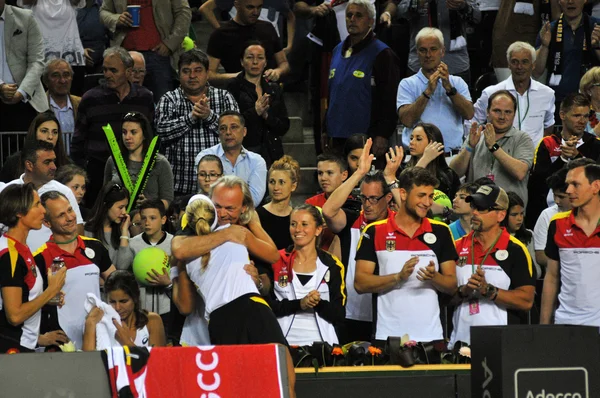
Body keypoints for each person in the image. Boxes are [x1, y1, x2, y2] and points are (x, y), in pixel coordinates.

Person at [174, 194, 295, 396]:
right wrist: (254, 223)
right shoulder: (233, 232)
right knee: (283, 379)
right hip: (253, 308)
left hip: (221, 320)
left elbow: (185, 306)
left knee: (239, 390)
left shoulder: (184, 254)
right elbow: (273, 254)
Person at [355, 167, 457, 344]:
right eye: (421, 195)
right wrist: (398, 277)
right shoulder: (375, 231)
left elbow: (452, 286)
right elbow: (360, 283)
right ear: (402, 193)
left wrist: (434, 277)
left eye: (430, 196)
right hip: (387, 337)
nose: (427, 202)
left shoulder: (441, 232)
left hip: (431, 338)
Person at [322, 137, 400, 343]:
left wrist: (391, 178)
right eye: (364, 198)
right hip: (351, 313)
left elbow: (412, 215)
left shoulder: (397, 224)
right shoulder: (353, 220)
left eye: (374, 199)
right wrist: (359, 173)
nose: (368, 205)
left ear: (388, 198)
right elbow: (328, 211)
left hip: (388, 313)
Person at [449, 184, 535, 347]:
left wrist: (488, 290)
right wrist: (464, 291)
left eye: (482, 209)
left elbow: (526, 301)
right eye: (474, 206)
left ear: (501, 215)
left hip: (502, 345)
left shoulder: (516, 250)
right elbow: (446, 299)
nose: (474, 212)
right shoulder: (457, 246)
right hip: (461, 342)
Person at [71, 46, 154, 203]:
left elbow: (151, 137)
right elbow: (78, 142)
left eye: (113, 70)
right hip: (97, 174)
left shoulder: (145, 98)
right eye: (105, 69)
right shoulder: (90, 99)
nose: (107, 75)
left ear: (129, 72)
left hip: (135, 174)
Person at [171, 175, 279, 295]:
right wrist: (227, 233)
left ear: (244, 207)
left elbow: (273, 257)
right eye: (217, 206)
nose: (222, 214)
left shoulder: (247, 226)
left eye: (230, 208)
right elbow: (179, 250)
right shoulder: (197, 213)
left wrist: (258, 282)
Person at [35, 191, 116, 350]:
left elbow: (118, 285)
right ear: (47, 222)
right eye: (61, 215)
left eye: (70, 210)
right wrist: (39, 337)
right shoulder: (40, 258)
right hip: (61, 345)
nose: (70, 217)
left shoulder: (95, 247)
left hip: (96, 339)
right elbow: (29, 304)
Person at [155, 49, 239, 196]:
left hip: (219, 187)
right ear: (179, 74)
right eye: (186, 71)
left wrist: (209, 116)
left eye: (198, 71)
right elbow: (161, 132)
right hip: (178, 186)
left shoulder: (224, 97)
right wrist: (191, 118)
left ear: (207, 73)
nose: (192, 76)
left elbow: (236, 134)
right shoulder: (169, 99)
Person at [323, 0, 401, 159]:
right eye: (349, 15)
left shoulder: (382, 54)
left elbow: (390, 98)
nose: (352, 19)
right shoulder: (337, 50)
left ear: (371, 21)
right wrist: (326, 129)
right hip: (337, 136)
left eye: (358, 15)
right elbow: (331, 94)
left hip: (367, 139)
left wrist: (383, 134)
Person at [0, 183, 66, 353]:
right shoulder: (10, 255)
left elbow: (23, 298)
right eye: (37, 205)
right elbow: (14, 316)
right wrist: (51, 291)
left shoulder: (21, 248)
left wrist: (37, 338)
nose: (43, 211)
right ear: (19, 212)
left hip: (22, 344)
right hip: (11, 351)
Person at [270, 204, 346, 346]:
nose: (298, 229)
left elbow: (339, 315)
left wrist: (317, 304)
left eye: (304, 224)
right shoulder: (276, 260)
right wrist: (300, 304)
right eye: (293, 224)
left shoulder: (332, 265)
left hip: (323, 346)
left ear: (318, 230)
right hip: (282, 343)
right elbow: (268, 308)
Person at [526, 93, 600, 229]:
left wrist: (577, 156)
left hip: (587, 216)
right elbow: (537, 184)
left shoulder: (596, 145)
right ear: (562, 115)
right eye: (577, 116)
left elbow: (597, 181)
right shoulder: (548, 143)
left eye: (585, 116)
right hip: (550, 214)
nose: (582, 121)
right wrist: (562, 159)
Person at [541, 159, 600, 327]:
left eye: (575, 184)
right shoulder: (557, 224)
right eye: (568, 185)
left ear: (595, 186)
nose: (568, 190)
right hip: (567, 323)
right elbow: (551, 277)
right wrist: (544, 326)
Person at [450, 90, 534, 208]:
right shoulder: (476, 136)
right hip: (477, 209)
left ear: (514, 115)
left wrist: (493, 147)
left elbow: (520, 172)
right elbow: (454, 173)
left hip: (509, 212)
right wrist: (469, 147)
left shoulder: (522, 139)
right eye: (497, 111)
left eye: (508, 112)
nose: (502, 117)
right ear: (487, 112)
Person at [397, 27, 474, 154]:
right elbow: (407, 120)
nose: (428, 55)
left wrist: (449, 88)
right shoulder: (407, 84)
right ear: (417, 52)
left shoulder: (458, 82)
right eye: (423, 50)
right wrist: (427, 92)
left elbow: (469, 114)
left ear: (442, 51)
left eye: (433, 49)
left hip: (451, 157)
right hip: (418, 158)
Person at [99, 0, 192, 102]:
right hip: (125, 57)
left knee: (163, 102)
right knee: (125, 102)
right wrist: (116, 19)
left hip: (160, 55)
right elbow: (104, 11)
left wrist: (170, 44)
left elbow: (184, 12)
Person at [4, 140, 84, 252]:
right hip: (14, 260)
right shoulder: (7, 190)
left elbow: (77, 230)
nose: (54, 167)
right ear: (29, 165)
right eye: (47, 162)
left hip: (53, 262)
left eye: (53, 161)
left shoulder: (64, 191)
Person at [473, 41, 555, 147]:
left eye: (525, 62)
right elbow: (473, 122)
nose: (519, 67)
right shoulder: (491, 93)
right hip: (498, 157)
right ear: (509, 65)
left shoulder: (547, 94)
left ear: (533, 65)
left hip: (533, 159)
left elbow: (549, 126)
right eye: (515, 62)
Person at [227, 41, 290, 167]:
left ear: (266, 62)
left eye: (260, 58)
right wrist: (255, 112)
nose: (255, 62)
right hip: (243, 156)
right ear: (242, 61)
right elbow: (228, 126)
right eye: (250, 57)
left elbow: (284, 126)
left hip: (272, 155)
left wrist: (267, 116)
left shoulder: (273, 89)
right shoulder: (233, 87)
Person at [534, 0, 600, 117]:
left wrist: (597, 47)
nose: (571, 2)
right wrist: (544, 46)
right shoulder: (550, 29)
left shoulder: (597, 27)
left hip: (592, 103)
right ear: (559, 1)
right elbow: (536, 71)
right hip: (559, 102)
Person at [206, 0, 290, 85]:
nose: (256, 12)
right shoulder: (221, 35)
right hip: (237, 93)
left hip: (269, 92)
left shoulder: (268, 28)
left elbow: (283, 63)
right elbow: (209, 74)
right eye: (250, 7)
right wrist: (238, 77)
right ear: (237, 5)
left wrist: (277, 71)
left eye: (259, 7)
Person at [194, 110, 268, 205]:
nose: (228, 132)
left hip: (245, 217)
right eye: (223, 128)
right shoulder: (204, 157)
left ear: (244, 131)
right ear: (218, 132)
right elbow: (206, 193)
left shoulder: (257, 162)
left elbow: (253, 200)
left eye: (234, 127)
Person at [396, 0, 479, 84]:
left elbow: (477, 17)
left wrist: (463, 6)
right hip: (420, 64)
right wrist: (418, 2)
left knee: (457, 96)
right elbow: (400, 14)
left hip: (455, 64)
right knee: (419, 97)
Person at [104, 111, 174, 209]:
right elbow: (105, 194)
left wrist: (150, 205)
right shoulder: (112, 160)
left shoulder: (161, 162)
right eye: (124, 132)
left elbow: (167, 200)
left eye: (133, 132)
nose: (127, 137)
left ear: (144, 134)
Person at [83, 270, 166, 350]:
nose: (117, 307)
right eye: (112, 302)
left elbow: (158, 362)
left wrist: (126, 342)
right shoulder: (98, 322)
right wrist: (90, 323)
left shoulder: (152, 321)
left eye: (123, 301)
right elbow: (88, 362)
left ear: (135, 298)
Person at [0, 0, 48, 132]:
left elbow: (37, 61)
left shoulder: (26, 17)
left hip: (26, 99)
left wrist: (21, 92)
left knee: (29, 151)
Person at [127, 199, 173, 325]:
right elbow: (121, 270)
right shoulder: (133, 244)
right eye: (143, 218)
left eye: (152, 218)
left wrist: (168, 284)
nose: (147, 223)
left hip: (168, 311)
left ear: (163, 220)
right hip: (141, 311)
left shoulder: (174, 243)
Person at [0, 112, 70, 183]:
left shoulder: (66, 163)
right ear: (34, 133)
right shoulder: (14, 162)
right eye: (44, 131)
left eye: (55, 132)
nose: (50, 137)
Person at [405, 122, 461, 200]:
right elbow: (406, 193)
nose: (411, 142)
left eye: (418, 139)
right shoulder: (403, 169)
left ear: (433, 143)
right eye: (411, 138)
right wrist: (425, 159)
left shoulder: (448, 175)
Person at [84, 183, 133, 269]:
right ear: (106, 205)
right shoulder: (86, 230)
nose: (124, 212)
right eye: (120, 207)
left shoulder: (122, 231)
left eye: (125, 207)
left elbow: (122, 266)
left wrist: (124, 232)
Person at [257, 155, 300, 251]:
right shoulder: (257, 215)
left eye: (281, 182)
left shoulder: (297, 216)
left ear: (293, 186)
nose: (276, 187)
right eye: (272, 182)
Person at [533, 167, 573, 270]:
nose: (556, 201)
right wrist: (568, 267)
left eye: (561, 197)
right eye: (554, 195)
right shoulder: (547, 215)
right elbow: (540, 255)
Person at [502, 191, 540, 279]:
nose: (519, 218)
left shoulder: (528, 235)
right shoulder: (494, 238)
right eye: (514, 215)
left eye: (521, 214)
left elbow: (536, 271)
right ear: (503, 215)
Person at [43, 58, 81, 143]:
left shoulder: (81, 103)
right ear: (46, 81)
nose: (62, 80)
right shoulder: (39, 105)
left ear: (71, 78)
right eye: (56, 75)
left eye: (66, 75)